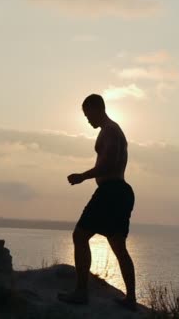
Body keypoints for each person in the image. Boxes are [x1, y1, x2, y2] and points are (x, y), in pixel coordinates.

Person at [57, 94, 137, 311]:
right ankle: (130, 299)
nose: (87, 119)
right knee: (118, 246)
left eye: (87, 114)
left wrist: (82, 176)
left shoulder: (110, 131)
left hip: (111, 191)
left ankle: (81, 292)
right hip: (120, 192)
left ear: (96, 108)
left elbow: (109, 163)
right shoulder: (113, 130)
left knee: (80, 235)